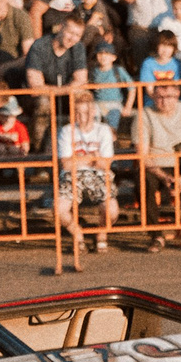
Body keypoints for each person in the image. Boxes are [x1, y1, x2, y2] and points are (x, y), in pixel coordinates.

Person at [134, 78, 181, 250]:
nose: (164, 101)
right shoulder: (143, 114)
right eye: (159, 97)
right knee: (142, 181)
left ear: (177, 95)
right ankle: (156, 235)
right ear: (153, 96)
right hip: (155, 164)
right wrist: (163, 175)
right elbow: (142, 154)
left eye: (169, 96)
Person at [55, 91, 118, 264]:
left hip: (99, 175)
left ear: (94, 113)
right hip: (72, 175)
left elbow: (105, 164)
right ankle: (78, 233)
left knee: (112, 211)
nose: (82, 118)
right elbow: (66, 164)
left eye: (86, 113)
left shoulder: (103, 130)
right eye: (78, 113)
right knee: (59, 210)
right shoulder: (67, 130)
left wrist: (80, 160)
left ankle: (101, 232)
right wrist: (93, 158)